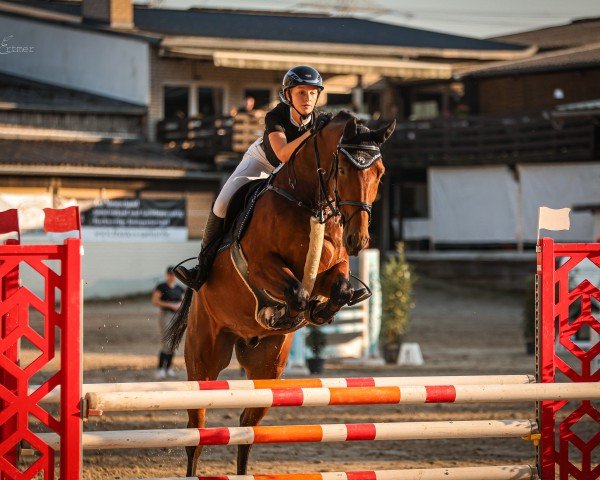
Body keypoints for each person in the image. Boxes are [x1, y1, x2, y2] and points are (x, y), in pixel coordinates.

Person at [175, 65, 332, 291]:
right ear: (288, 95)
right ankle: (202, 267)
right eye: (301, 92)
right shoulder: (276, 116)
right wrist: (312, 133)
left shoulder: (320, 119)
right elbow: (284, 154)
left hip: (292, 175)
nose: (307, 98)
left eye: (312, 92)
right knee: (221, 204)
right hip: (262, 163)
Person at [152, 266, 184, 379]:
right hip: (165, 315)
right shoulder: (161, 286)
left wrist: (179, 306)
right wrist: (170, 305)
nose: (171, 276)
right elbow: (155, 301)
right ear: (167, 275)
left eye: (173, 274)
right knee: (166, 341)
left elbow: (182, 301)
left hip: (176, 316)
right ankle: (160, 368)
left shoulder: (179, 288)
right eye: (169, 274)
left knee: (173, 341)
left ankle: (169, 367)